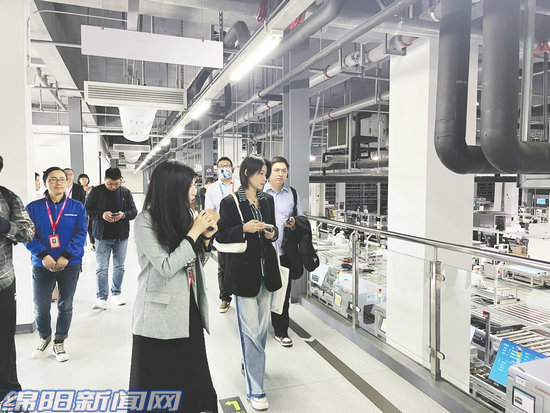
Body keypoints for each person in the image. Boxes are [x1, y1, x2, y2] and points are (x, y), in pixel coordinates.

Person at [130, 160, 218, 413]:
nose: (194, 191)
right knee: (158, 381)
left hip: (188, 307)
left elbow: (193, 264)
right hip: (158, 315)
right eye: (190, 186)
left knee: (190, 374)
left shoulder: (185, 216)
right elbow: (167, 266)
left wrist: (206, 240)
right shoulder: (145, 221)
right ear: (173, 188)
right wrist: (194, 233)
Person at [216, 154, 281, 411]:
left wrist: (271, 232)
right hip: (244, 273)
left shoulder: (267, 200)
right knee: (250, 331)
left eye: (266, 173)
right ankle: (256, 389)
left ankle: (250, 361)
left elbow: (273, 229)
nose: (265, 178)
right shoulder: (230, 202)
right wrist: (244, 228)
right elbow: (222, 235)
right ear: (247, 174)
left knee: (262, 330)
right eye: (261, 173)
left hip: (267, 272)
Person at [25, 167, 87, 362]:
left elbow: (81, 233)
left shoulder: (77, 207)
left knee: (65, 305)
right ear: (45, 183)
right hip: (42, 264)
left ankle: (59, 341)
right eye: (53, 179)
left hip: (70, 263)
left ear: (67, 182)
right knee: (41, 305)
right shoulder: (33, 208)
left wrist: (66, 256)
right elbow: (28, 235)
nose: (58, 183)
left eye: (62, 179)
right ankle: (44, 336)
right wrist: (43, 255)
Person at [0, 156, 35, 401]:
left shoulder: (8, 197)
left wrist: (6, 226)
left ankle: (9, 394)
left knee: (4, 342)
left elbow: (28, 232)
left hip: (2, 281)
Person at [264, 156, 304, 347]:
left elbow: (301, 219)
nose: (280, 174)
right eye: (276, 170)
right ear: (269, 172)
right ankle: (258, 327)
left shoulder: (293, 194)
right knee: (262, 291)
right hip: (264, 252)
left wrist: (294, 223)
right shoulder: (259, 192)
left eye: (284, 171)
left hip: (284, 251)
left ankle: (281, 330)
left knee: (283, 294)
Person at [85, 167, 137, 310]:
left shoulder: (126, 192)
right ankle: (102, 297)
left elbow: (134, 211)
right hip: (102, 236)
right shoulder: (96, 191)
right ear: (104, 180)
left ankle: (116, 293)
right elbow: (87, 209)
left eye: (116, 184)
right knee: (102, 268)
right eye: (110, 184)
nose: (113, 187)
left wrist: (123, 215)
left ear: (121, 181)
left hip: (121, 236)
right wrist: (101, 215)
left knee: (119, 266)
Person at [205, 157, 239, 313]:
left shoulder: (240, 185)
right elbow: (210, 210)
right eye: (221, 166)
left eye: (227, 165)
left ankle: (241, 294)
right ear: (217, 169)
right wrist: (224, 224)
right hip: (222, 231)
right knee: (223, 265)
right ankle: (225, 298)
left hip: (240, 229)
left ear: (232, 168)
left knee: (241, 262)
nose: (225, 168)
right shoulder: (212, 189)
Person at [78, 173, 95, 251]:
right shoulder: (77, 189)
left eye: (86, 178)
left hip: (89, 211)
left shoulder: (92, 189)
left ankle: (93, 243)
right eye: (82, 179)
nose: (84, 180)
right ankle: (80, 244)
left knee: (91, 227)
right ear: (79, 180)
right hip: (80, 212)